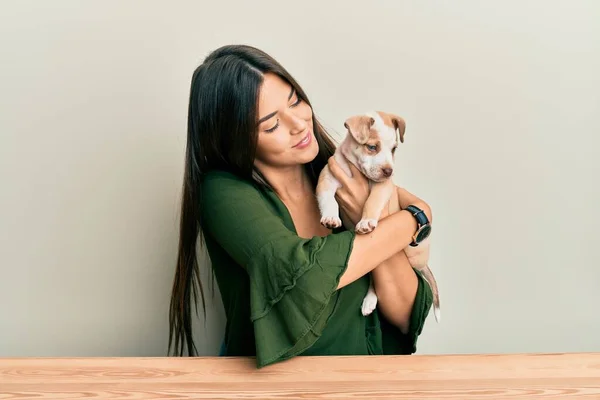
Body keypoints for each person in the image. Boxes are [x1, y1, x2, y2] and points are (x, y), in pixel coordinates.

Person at [168, 44, 434, 369]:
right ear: (235, 138)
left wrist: (383, 218)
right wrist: (414, 220)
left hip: (365, 383)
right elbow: (303, 278)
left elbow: (405, 318)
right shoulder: (223, 192)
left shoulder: (339, 175)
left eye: (295, 100)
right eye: (271, 125)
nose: (298, 123)